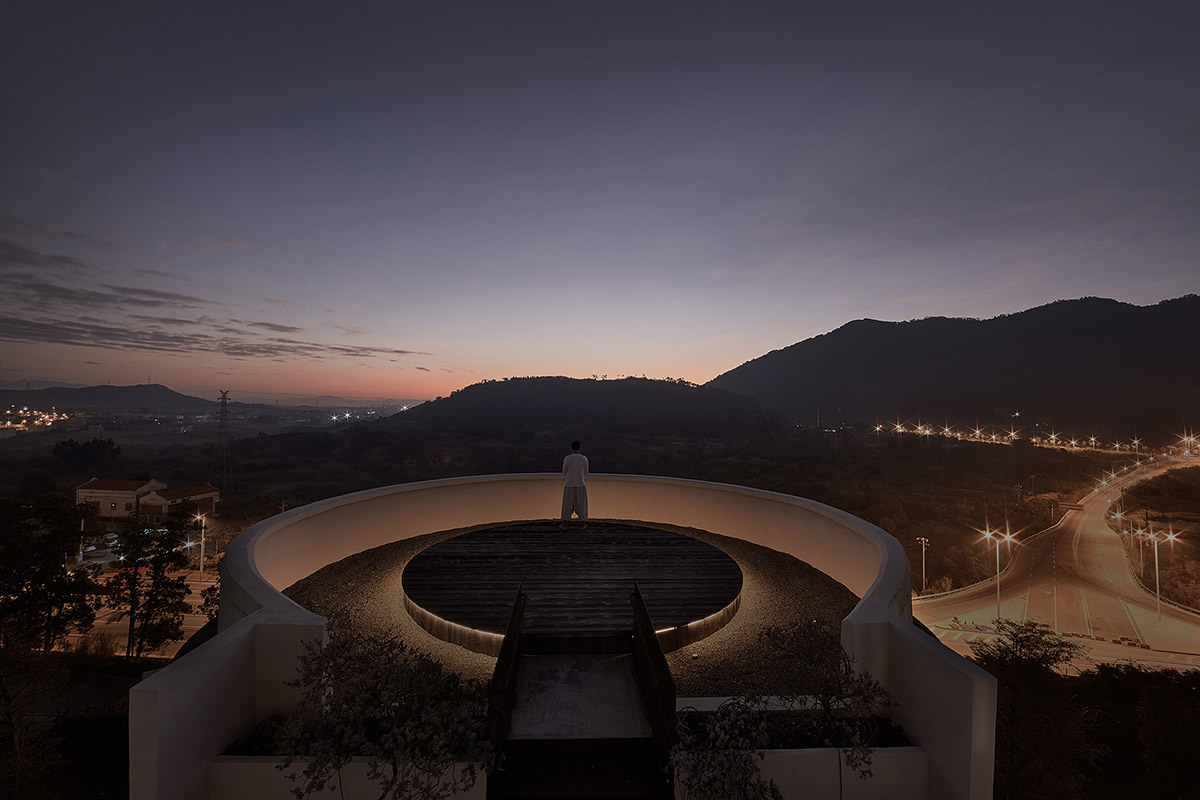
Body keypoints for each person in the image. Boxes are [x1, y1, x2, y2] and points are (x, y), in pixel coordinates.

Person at [560, 440, 588, 528]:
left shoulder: (567, 459)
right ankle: (582, 522)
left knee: (567, 504)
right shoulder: (584, 458)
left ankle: (565, 522)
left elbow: (564, 471)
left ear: (571, 448)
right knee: (581, 504)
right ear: (579, 448)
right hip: (580, 483)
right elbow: (586, 472)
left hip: (569, 483)